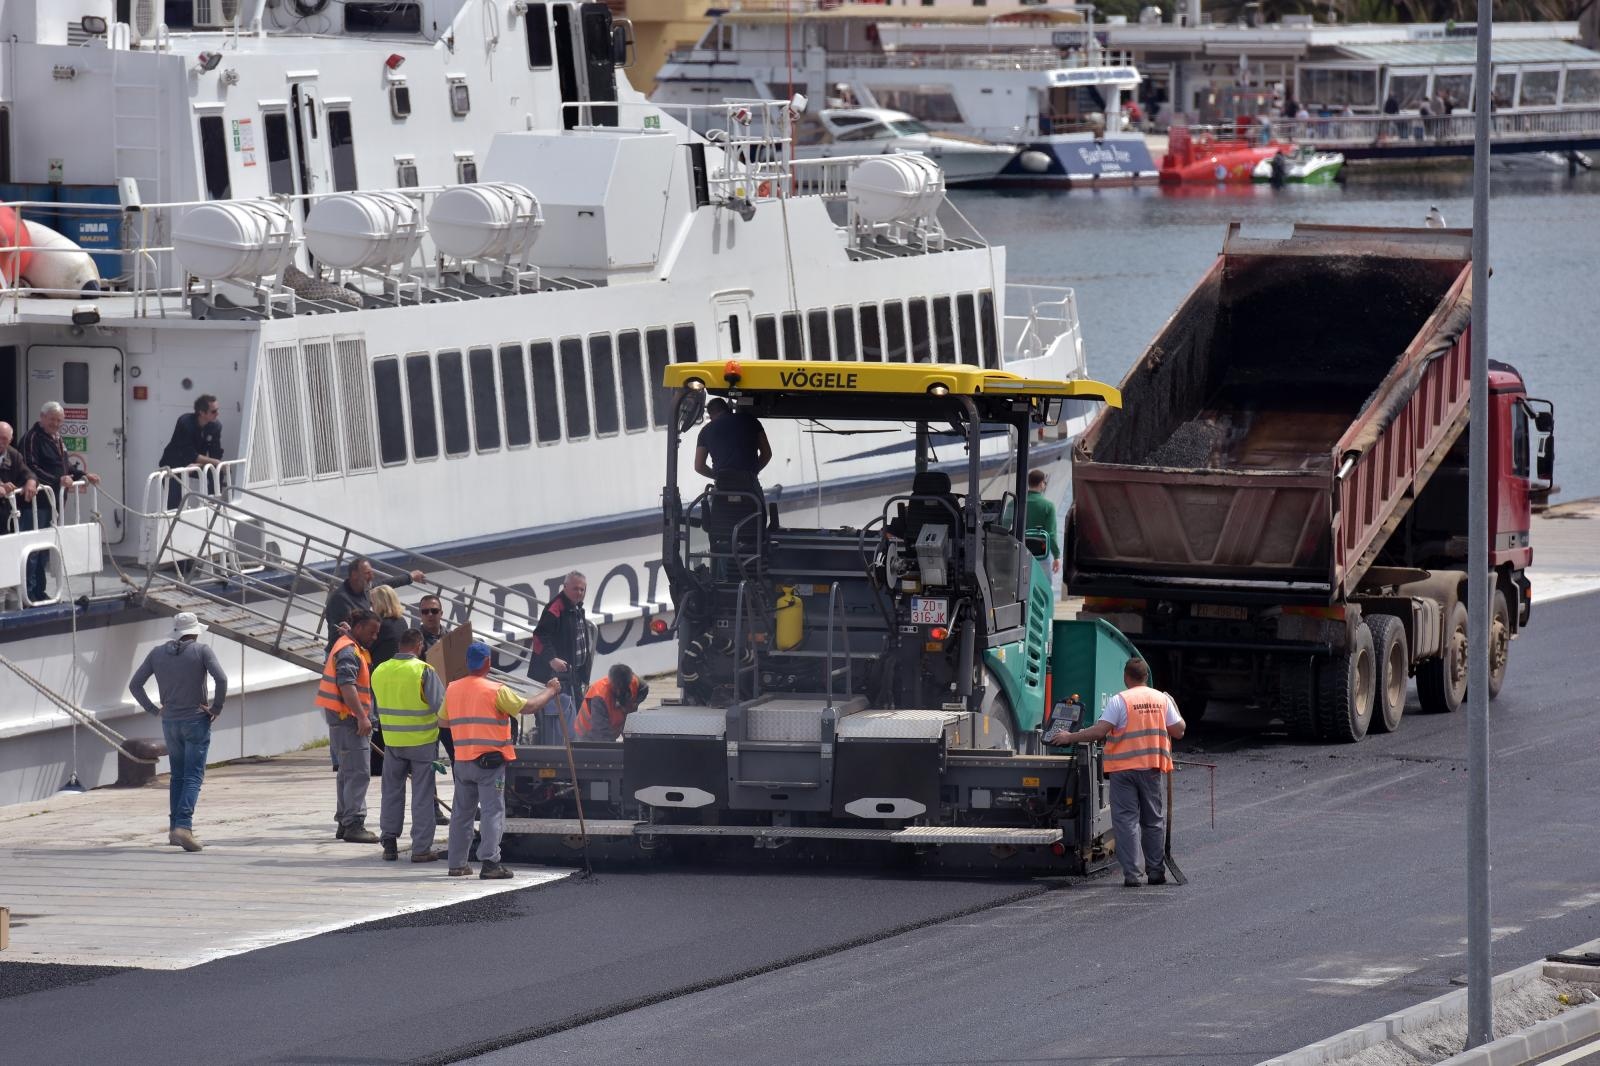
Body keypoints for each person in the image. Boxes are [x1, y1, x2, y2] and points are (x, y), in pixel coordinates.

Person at [1044, 657, 1185, 887]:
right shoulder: (1162, 700)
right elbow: (1179, 731)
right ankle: (1156, 872)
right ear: (1146, 677)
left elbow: (1099, 732)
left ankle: (1132, 875)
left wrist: (1069, 737)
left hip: (1123, 772)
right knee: (1153, 821)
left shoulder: (1120, 701)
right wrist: (1173, 705)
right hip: (1151, 770)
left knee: (1127, 822)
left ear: (1126, 677)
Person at [442, 641, 563, 879]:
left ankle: (457, 864)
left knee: (461, 813)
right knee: (492, 811)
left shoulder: (452, 688)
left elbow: (443, 721)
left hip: (463, 762)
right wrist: (551, 690)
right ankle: (490, 863)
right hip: (489, 763)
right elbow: (528, 707)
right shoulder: (496, 689)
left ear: (468, 663)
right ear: (488, 662)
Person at [129, 612, 228, 853]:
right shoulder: (202, 651)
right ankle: (184, 825)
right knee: (194, 776)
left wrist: (154, 710)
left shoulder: (157, 653)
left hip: (170, 722)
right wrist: (216, 708)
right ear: (194, 632)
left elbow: (135, 685)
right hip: (196, 720)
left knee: (178, 775)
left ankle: (174, 829)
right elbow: (221, 679)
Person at [372, 629, 446, 863]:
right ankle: (421, 849)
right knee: (423, 795)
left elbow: (377, 705)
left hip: (392, 742)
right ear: (419, 645)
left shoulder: (380, 670)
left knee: (391, 793)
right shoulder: (424, 670)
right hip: (423, 743)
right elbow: (441, 707)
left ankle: (390, 844)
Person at [18, 401, 99, 604]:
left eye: (59, 420)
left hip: (54, 502)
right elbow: (30, 467)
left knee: (45, 548)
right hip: (36, 504)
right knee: (31, 549)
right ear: (42, 417)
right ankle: (28, 593)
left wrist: (83, 474)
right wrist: (57, 480)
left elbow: (64, 466)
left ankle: (40, 591)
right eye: (52, 419)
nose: (55, 423)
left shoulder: (57, 438)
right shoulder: (32, 438)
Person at [317, 607, 382, 843]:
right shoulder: (349, 651)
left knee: (346, 772)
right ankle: (354, 822)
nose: (375, 637)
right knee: (359, 773)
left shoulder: (348, 645)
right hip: (350, 720)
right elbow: (347, 686)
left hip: (342, 720)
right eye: (372, 632)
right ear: (359, 627)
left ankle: (345, 821)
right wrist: (363, 717)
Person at [529, 571, 590, 745]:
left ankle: (574, 746)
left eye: (582, 589)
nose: (579, 592)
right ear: (565, 588)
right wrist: (552, 659)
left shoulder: (577, 608)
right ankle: (559, 747)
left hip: (575, 673)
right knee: (560, 715)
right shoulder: (555, 607)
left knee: (577, 712)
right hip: (558, 675)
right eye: (575, 589)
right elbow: (539, 637)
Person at [323, 556, 426, 651]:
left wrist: (410, 577)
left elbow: (386, 584)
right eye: (367, 573)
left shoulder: (364, 589)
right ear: (354, 575)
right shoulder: (340, 599)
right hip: (342, 652)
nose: (372, 576)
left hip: (358, 649)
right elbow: (340, 631)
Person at [694, 397, 772, 502]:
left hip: (723, 488)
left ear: (711, 415)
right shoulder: (751, 421)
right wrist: (753, 472)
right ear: (728, 409)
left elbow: (699, 466)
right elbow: (767, 453)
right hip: (750, 487)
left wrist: (718, 477)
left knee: (720, 516)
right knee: (758, 514)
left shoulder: (705, 431)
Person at [157, 394, 222, 508]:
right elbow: (189, 453)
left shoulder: (215, 426)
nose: (217, 414)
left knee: (218, 469)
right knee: (174, 502)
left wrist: (213, 464)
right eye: (213, 411)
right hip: (175, 464)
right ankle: (175, 518)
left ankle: (214, 503)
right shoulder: (185, 422)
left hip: (195, 463)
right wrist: (212, 461)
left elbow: (215, 453)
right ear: (202, 412)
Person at [574, 663, 650, 742]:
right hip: (588, 733)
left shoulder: (636, 683)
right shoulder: (599, 697)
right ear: (611, 683)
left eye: (623, 688)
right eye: (616, 688)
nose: (619, 692)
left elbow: (644, 690)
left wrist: (634, 705)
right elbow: (602, 734)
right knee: (600, 751)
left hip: (614, 725)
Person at [0, 421, 39, 523]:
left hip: (5, 515)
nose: (0, 442)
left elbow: (27, 472)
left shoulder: (14, 455)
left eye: (4, 439)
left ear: (10, 440)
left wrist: (31, 481)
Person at [1023, 468, 1061, 575]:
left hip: (1021, 552)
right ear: (1041, 484)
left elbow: (1005, 525)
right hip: (1041, 555)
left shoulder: (1015, 503)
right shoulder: (1048, 506)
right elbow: (1051, 534)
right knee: (1043, 588)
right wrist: (1057, 556)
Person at [368, 584, 408, 669]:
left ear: (380, 603)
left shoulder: (382, 625)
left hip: (381, 672)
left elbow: (366, 648)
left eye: (372, 603)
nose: (371, 607)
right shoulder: (402, 621)